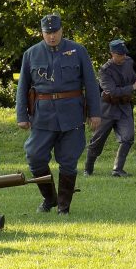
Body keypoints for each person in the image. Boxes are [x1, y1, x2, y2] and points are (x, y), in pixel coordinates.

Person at [15, 13, 101, 214]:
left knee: (68, 161)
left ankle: (64, 206)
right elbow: (22, 86)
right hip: (43, 116)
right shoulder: (31, 54)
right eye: (48, 33)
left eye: (55, 32)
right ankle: (50, 198)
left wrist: (95, 113)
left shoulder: (78, 51)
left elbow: (91, 83)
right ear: (42, 33)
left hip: (72, 115)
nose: (52, 36)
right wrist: (21, 115)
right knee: (35, 156)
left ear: (62, 30)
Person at [84, 39, 136, 177]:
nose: (123, 56)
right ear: (112, 54)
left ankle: (117, 169)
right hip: (107, 108)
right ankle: (88, 169)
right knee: (97, 140)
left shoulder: (129, 62)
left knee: (128, 137)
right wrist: (133, 87)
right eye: (119, 54)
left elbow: (133, 78)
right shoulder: (105, 70)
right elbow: (112, 91)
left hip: (124, 107)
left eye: (124, 54)